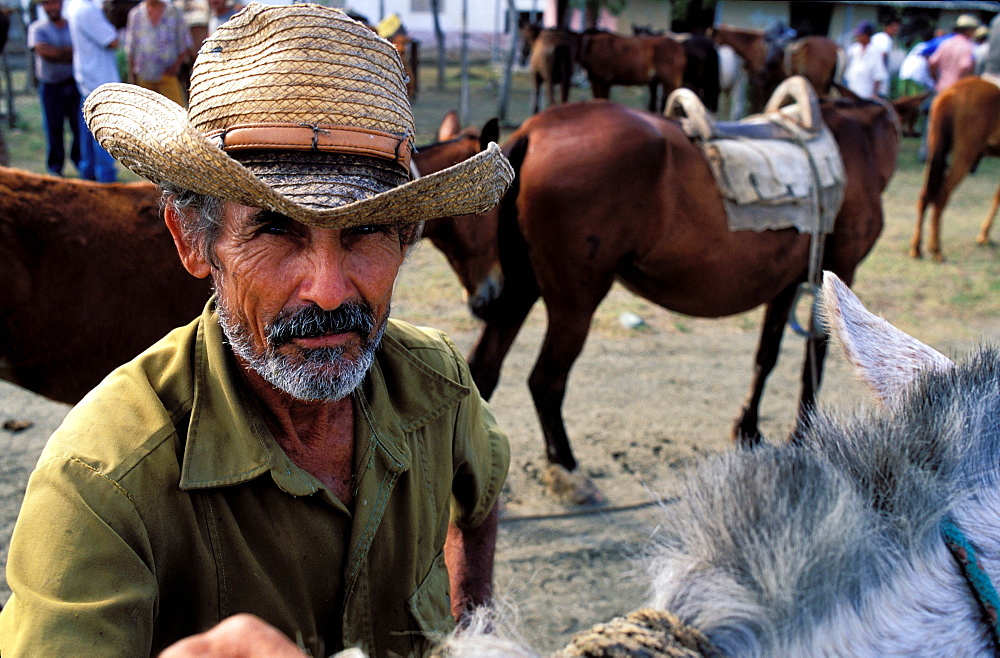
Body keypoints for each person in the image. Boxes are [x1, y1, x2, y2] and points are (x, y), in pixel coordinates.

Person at [0, 5, 514, 657]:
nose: (329, 290)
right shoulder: (102, 481)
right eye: (274, 229)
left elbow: (485, 489)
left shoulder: (435, 385)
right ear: (193, 242)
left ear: (408, 240)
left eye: (367, 231)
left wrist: (481, 633)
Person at [27, 0, 81, 176]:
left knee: (79, 127)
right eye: (46, 4)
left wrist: (60, 52)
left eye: (54, 3)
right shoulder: (37, 28)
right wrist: (70, 52)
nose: (51, 7)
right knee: (53, 128)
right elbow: (46, 53)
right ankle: (55, 168)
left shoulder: (72, 25)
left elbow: (79, 51)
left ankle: (80, 162)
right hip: (51, 87)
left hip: (73, 84)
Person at [65, 0, 118, 181]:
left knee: (87, 137)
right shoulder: (87, 10)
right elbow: (112, 40)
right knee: (102, 135)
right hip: (100, 80)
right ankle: (106, 181)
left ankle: (88, 178)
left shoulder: (75, 6)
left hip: (88, 77)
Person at [124, 0, 193, 106]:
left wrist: (176, 66)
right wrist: (132, 79)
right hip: (144, 76)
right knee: (145, 113)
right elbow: (131, 48)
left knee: (177, 111)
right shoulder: (136, 14)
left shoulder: (174, 12)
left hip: (168, 75)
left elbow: (185, 43)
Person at [928, 14, 980, 93]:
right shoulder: (967, 46)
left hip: (941, 88)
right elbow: (965, 67)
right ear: (969, 31)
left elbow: (932, 63)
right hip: (957, 90)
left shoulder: (946, 43)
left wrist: (936, 79)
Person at [843, 20, 889, 99]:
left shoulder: (875, 52)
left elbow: (878, 76)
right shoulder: (854, 49)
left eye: (860, 34)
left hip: (865, 94)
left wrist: (874, 94)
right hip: (851, 91)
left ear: (867, 36)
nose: (857, 36)